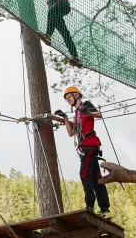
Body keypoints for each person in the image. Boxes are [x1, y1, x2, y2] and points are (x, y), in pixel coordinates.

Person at [7, 0, 82, 68]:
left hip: (63, 4)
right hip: (53, 9)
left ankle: (48, 36)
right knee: (64, 32)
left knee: (52, 12)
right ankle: (76, 57)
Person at [55, 86, 111, 218]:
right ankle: (104, 207)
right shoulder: (75, 114)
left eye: (69, 97)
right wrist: (65, 119)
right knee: (96, 177)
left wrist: (88, 112)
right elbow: (71, 133)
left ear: (77, 96)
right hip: (85, 147)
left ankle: (90, 206)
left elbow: (99, 115)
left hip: (90, 146)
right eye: (66, 99)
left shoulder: (86, 105)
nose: (68, 100)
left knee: (84, 174)